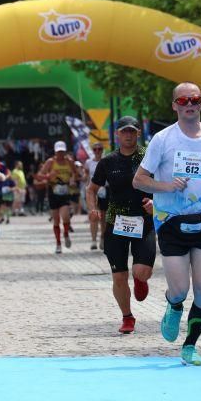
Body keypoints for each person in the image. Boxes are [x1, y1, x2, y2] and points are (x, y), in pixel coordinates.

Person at [133, 82, 201, 366]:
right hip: (171, 221)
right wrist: (167, 186)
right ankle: (174, 303)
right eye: (183, 100)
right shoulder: (162, 139)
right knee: (180, 289)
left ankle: (190, 346)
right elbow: (139, 180)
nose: (189, 104)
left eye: (194, 100)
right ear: (175, 106)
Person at [88, 117, 155, 334]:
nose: (128, 135)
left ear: (138, 133)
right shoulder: (108, 161)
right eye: (124, 131)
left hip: (144, 221)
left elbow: (164, 184)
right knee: (119, 276)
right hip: (116, 222)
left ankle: (140, 280)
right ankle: (127, 317)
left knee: (142, 271)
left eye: (132, 131)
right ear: (117, 134)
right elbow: (91, 189)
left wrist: (155, 203)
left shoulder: (149, 157)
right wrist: (93, 208)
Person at [41, 141, 77, 253]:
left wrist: (72, 179)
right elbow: (40, 175)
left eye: (62, 151)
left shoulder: (69, 161)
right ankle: (58, 244)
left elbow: (75, 173)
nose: (60, 154)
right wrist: (49, 176)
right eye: (58, 152)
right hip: (53, 192)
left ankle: (66, 234)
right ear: (55, 151)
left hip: (65, 192)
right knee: (56, 220)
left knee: (65, 216)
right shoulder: (50, 162)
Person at [85, 142, 106, 250]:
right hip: (93, 191)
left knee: (104, 217)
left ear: (102, 150)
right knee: (94, 215)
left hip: (105, 190)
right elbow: (86, 176)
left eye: (100, 149)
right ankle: (93, 240)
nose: (97, 151)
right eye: (95, 149)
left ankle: (102, 238)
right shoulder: (88, 162)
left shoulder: (106, 161)